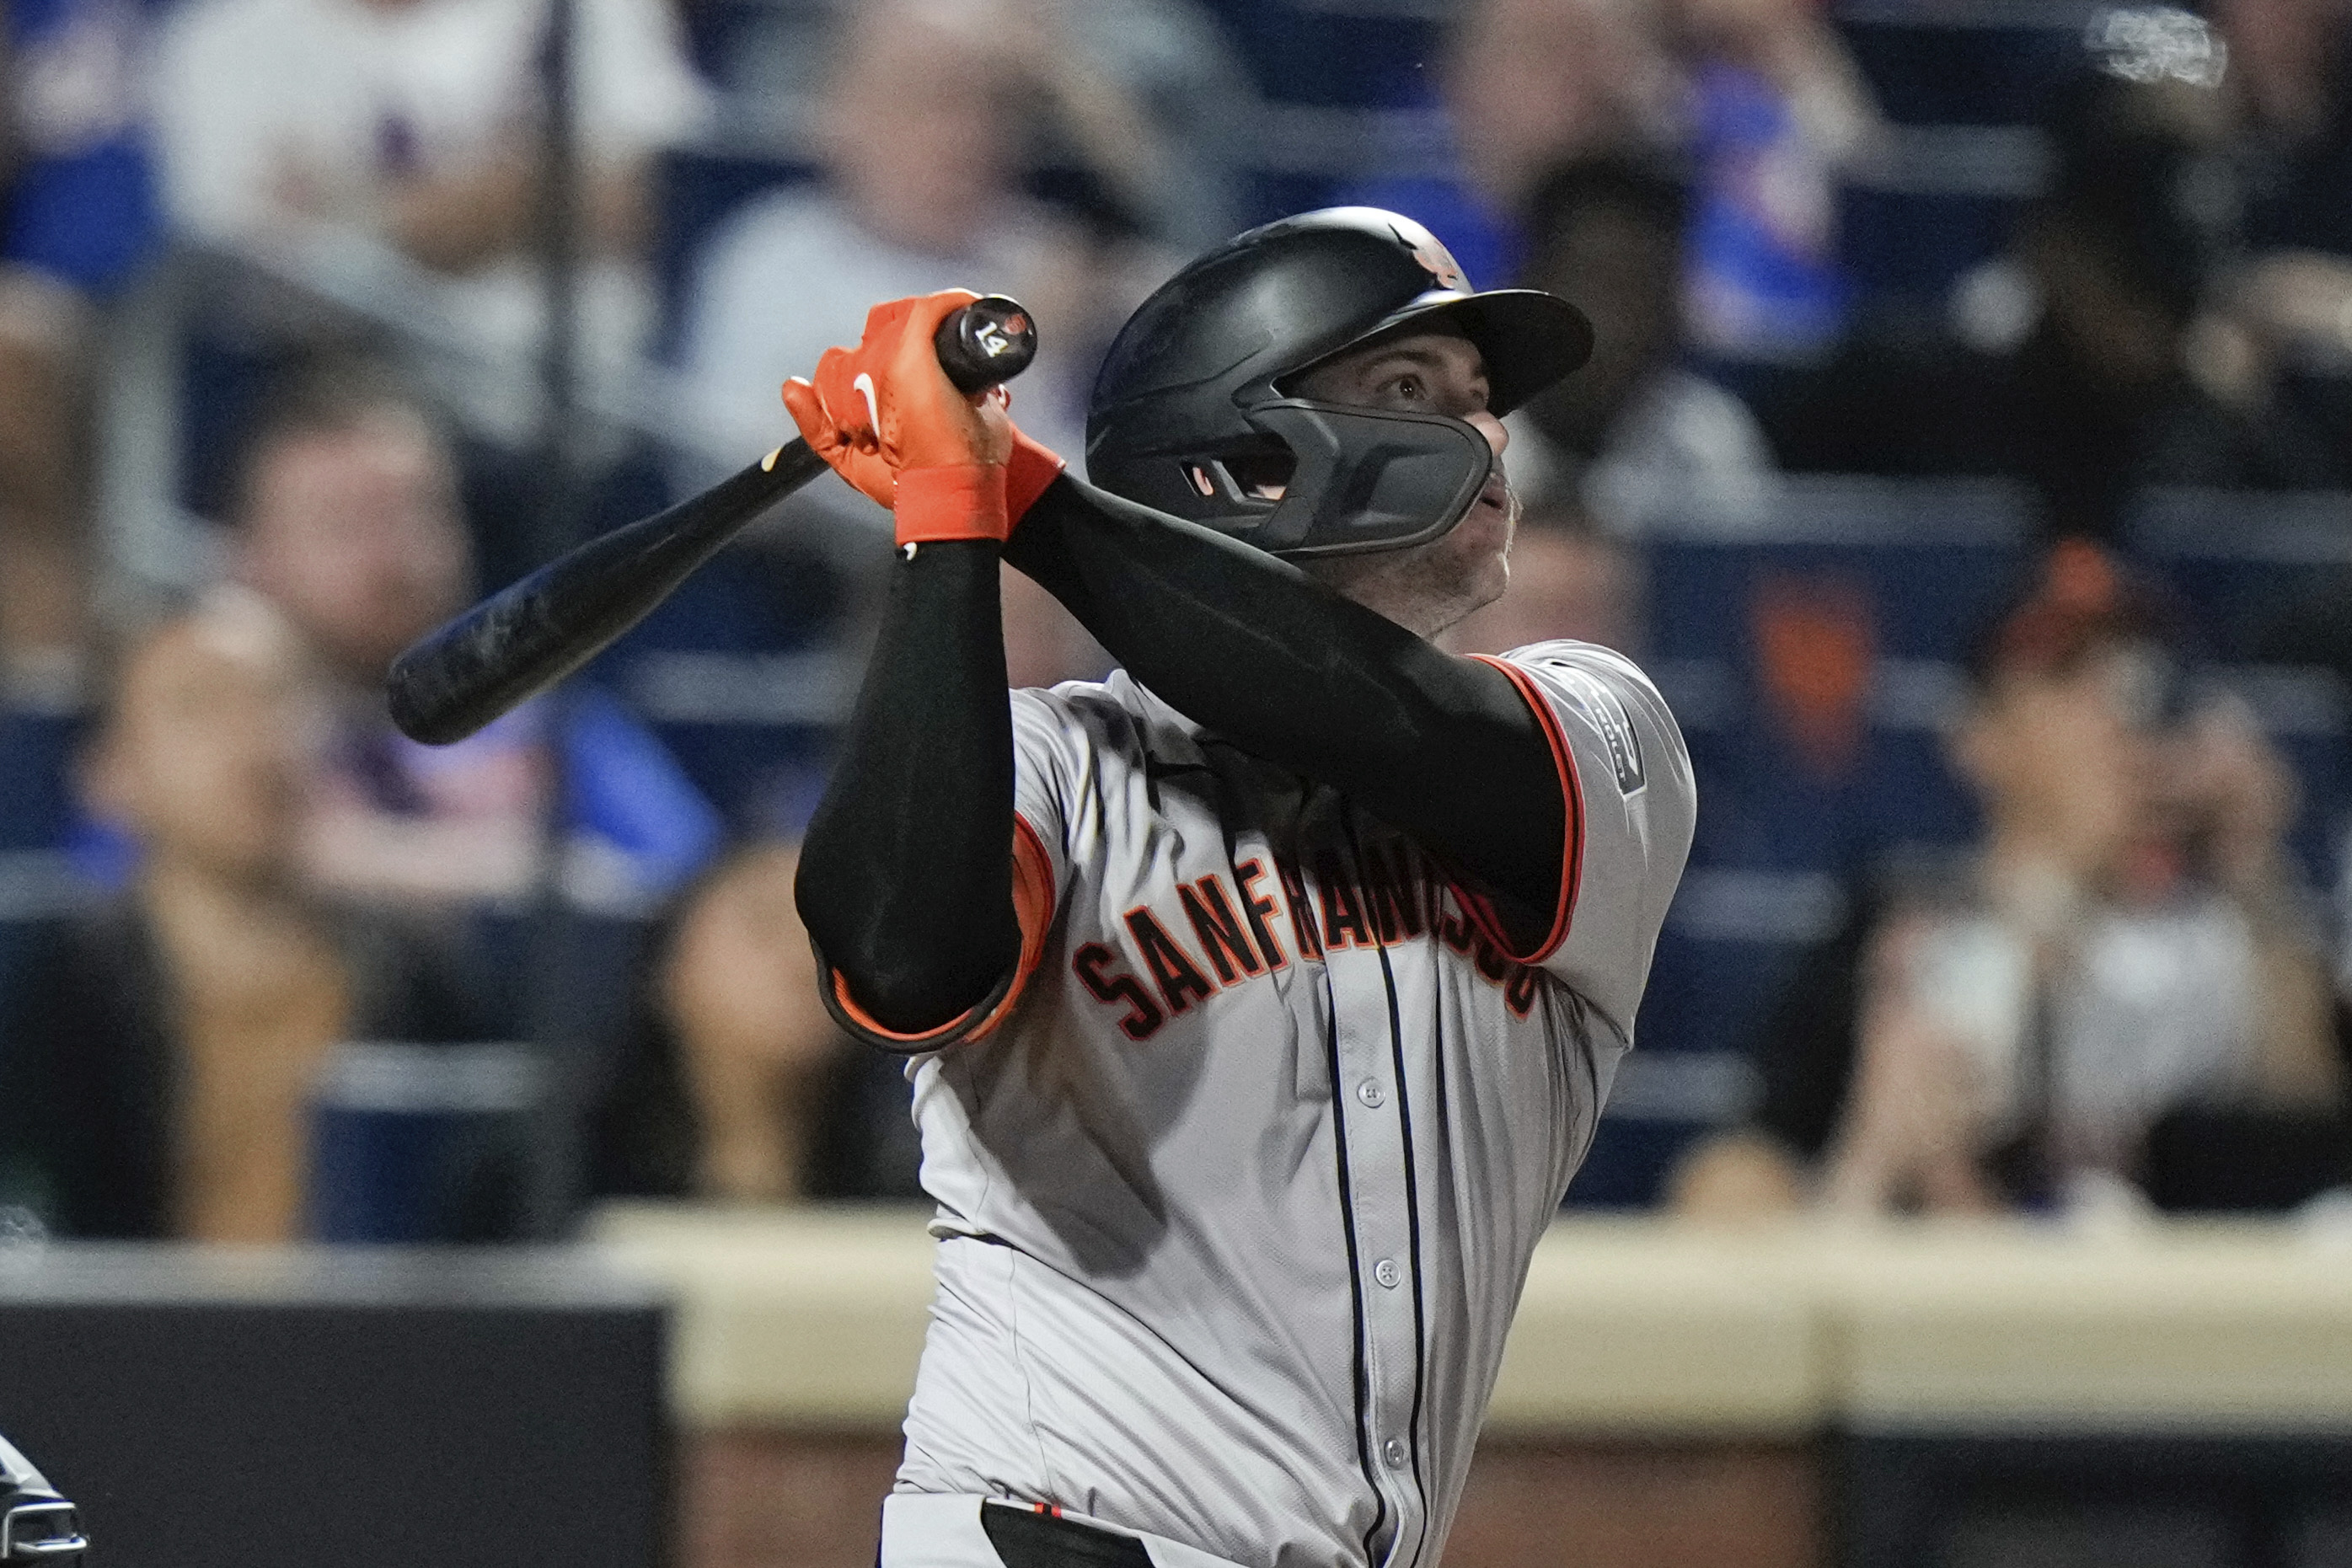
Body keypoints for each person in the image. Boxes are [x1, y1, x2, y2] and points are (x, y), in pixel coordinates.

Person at [775, 211, 1695, 1568]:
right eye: (1407, 394)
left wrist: (1007, 490)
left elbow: (1377, 720)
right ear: (1237, 460)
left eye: (1480, 401)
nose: (1487, 438)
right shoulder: (1055, 764)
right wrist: (946, 523)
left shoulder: (1601, 728)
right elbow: (897, 959)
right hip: (1051, 1530)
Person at [1673, 546, 2348, 1217]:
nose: (2111, 712)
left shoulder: (2228, 925)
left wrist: (2255, 870)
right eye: (2068, 677)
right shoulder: (1901, 924)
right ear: (1979, 736)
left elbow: (2306, 1137)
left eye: (2137, 680)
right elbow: (1752, 1160)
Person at [0, 602, 489, 1240]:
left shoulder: (418, 980)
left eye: (280, 697)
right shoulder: (52, 1000)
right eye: (198, 707)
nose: (253, 739)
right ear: (110, 773)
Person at [217, 354, 717, 909]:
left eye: (418, 512)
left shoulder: (555, 731)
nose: (391, 556)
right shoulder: (211, 739)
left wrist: (376, 865)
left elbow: (701, 906)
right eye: (344, 525)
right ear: (250, 557)